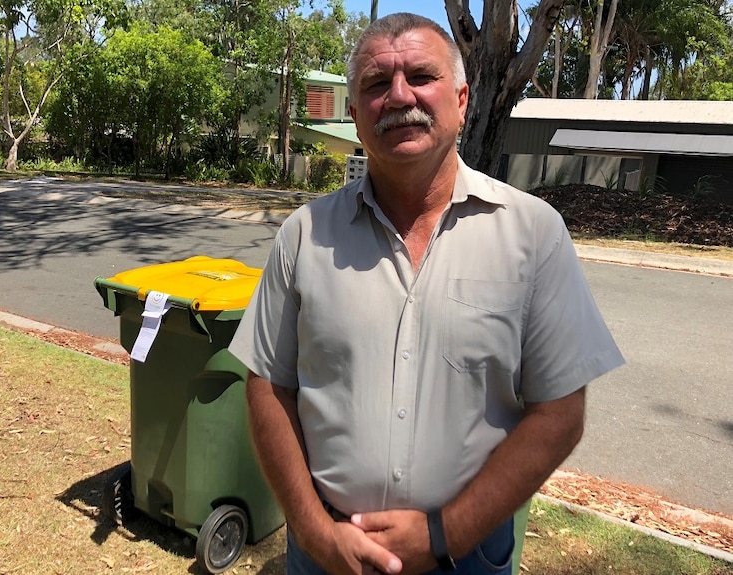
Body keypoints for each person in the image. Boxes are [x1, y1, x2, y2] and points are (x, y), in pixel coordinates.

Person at [228, 12, 625, 575]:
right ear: (354, 114)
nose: (398, 96)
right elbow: (268, 386)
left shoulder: (532, 233)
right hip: (327, 552)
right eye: (374, 84)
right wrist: (315, 533)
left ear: (462, 101)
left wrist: (446, 534)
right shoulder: (304, 235)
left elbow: (559, 412)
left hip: (469, 555)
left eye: (420, 75)